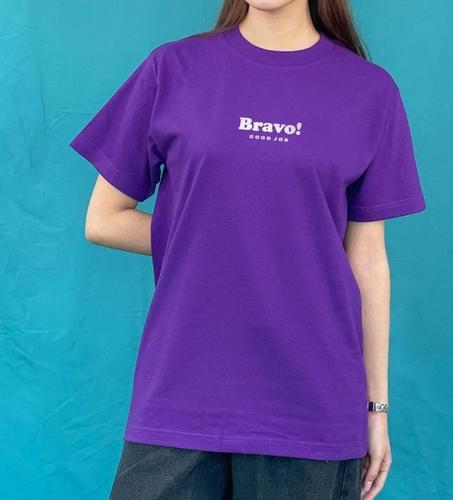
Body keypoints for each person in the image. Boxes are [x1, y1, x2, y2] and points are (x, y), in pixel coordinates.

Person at [69, 0, 426, 498]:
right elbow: (104, 220)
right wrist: (227, 240)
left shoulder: (370, 92)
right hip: (182, 392)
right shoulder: (174, 68)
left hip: (312, 405)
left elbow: (367, 258)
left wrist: (376, 408)